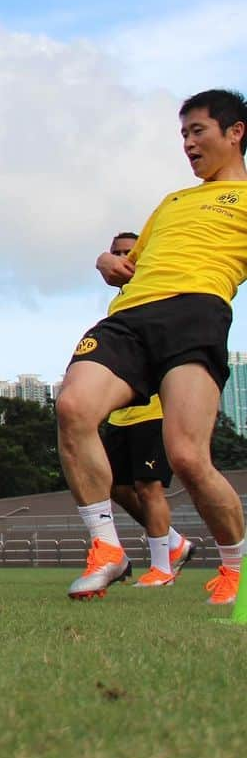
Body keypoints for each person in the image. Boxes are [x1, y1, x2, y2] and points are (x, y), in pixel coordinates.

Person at [57, 89, 247, 605]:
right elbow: (129, 263)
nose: (187, 143)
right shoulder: (173, 202)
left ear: (235, 133)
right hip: (130, 317)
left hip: (196, 314)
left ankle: (236, 568)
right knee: (73, 406)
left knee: (188, 457)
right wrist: (106, 262)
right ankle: (106, 549)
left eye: (197, 131)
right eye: (183, 134)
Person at [101, 232, 195, 588]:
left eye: (130, 253)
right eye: (117, 253)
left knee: (148, 487)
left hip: (152, 411)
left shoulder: (158, 296)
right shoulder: (120, 304)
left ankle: (162, 569)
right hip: (120, 414)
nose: (123, 258)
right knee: (116, 487)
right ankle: (174, 543)